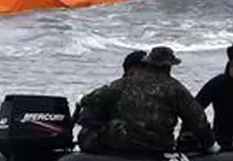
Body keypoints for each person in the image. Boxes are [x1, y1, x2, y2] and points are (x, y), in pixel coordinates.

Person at [75, 46, 214, 153]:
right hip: (161, 144)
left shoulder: (126, 82)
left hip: (126, 141)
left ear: (148, 63)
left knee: (93, 131)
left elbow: (96, 97)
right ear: (169, 66)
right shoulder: (177, 89)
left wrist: (82, 100)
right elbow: (198, 119)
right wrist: (208, 143)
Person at [74, 49, 145, 151]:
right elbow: (89, 103)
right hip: (95, 138)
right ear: (132, 69)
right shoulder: (120, 87)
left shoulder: (146, 89)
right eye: (145, 67)